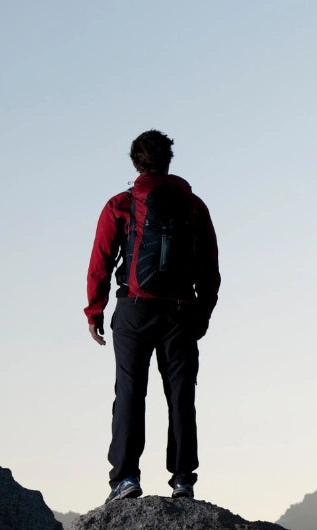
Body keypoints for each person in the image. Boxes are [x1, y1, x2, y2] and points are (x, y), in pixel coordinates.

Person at [84, 130, 220, 503]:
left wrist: (94, 309)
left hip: (134, 310)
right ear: (168, 160)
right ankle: (182, 480)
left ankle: (125, 478)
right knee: (180, 394)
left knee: (129, 390)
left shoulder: (121, 204)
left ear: (135, 163)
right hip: (180, 311)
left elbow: (100, 259)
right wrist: (202, 313)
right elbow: (210, 266)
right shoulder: (193, 206)